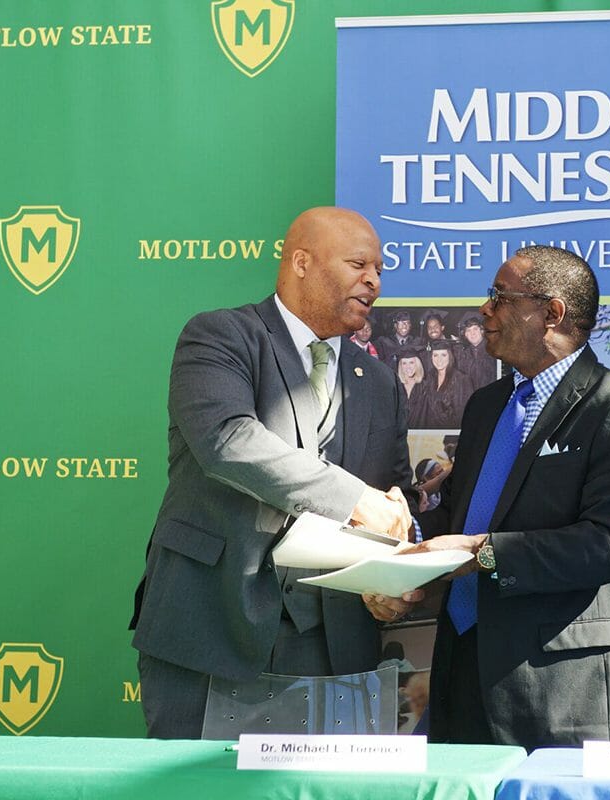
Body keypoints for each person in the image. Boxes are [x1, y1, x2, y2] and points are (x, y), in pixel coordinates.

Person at [364, 245, 610, 749]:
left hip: (561, 693)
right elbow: (460, 517)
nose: (484, 309)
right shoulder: (486, 406)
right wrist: (399, 544)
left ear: (552, 313)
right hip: (460, 674)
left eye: (500, 297)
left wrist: (481, 553)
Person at [129, 207, 414, 739]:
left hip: (336, 647)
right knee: (198, 783)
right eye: (358, 265)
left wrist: (393, 576)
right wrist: (356, 499)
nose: (373, 280)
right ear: (301, 262)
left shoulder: (380, 382)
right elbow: (226, 440)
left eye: (379, 269)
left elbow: (398, 497)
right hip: (211, 628)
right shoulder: (221, 335)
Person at [420, 338, 472, 429]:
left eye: (443, 355)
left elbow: (463, 415)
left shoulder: (461, 379)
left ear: (450, 356)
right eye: (435, 355)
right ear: (431, 357)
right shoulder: (430, 377)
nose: (439, 359)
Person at [455, 310, 497, 389]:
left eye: (475, 329)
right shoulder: (464, 355)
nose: (472, 333)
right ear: (465, 335)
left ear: (482, 331)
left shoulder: (493, 351)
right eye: (468, 330)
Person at [394, 345, 428, 428]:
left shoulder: (425, 387)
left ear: (417, 364)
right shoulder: (395, 387)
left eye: (411, 362)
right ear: (400, 366)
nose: (408, 367)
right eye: (404, 363)